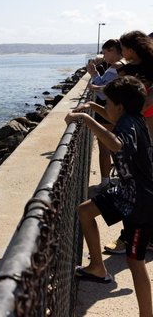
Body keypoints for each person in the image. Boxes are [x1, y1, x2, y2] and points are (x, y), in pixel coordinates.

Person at [65, 76, 153, 316]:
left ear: (120, 106)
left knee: (135, 262)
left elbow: (116, 145)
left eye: (108, 103)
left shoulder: (127, 125)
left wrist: (84, 118)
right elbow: (111, 116)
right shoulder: (133, 118)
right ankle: (97, 267)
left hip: (140, 202)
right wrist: (92, 107)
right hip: (127, 192)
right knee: (85, 210)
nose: (106, 107)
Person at [104, 30, 153, 254]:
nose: (121, 52)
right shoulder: (126, 69)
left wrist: (143, 103)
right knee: (136, 181)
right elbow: (116, 93)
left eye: (123, 48)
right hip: (138, 125)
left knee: (138, 183)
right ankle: (134, 236)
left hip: (147, 124)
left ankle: (130, 238)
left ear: (131, 48)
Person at [86, 39, 124, 192]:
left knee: (105, 149)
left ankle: (105, 182)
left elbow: (103, 94)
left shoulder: (117, 67)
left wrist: (94, 74)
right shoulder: (120, 66)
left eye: (105, 52)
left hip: (108, 112)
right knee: (116, 147)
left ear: (113, 50)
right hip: (113, 111)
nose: (103, 55)